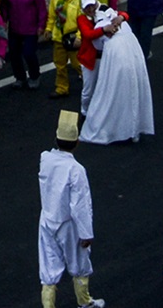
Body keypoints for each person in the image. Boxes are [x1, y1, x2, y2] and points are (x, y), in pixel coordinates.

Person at [38, 111, 99, 308]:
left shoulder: (45, 159)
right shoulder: (76, 170)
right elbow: (80, 205)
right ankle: (85, 302)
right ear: (77, 142)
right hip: (69, 224)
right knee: (79, 264)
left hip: (47, 220)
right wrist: (86, 233)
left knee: (48, 268)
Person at [78, 1, 155, 144]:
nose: (90, 10)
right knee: (132, 92)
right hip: (127, 59)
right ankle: (134, 128)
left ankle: (108, 124)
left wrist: (109, 28)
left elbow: (98, 43)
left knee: (109, 93)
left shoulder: (105, 23)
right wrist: (117, 21)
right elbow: (89, 34)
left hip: (113, 63)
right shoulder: (120, 23)